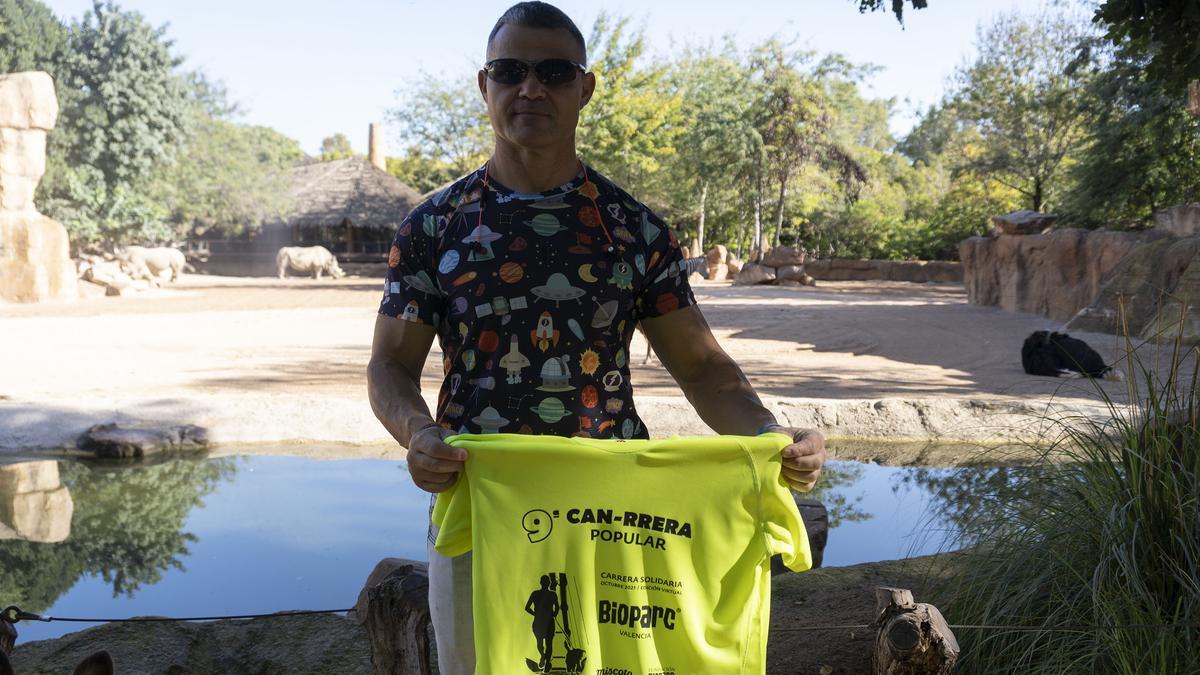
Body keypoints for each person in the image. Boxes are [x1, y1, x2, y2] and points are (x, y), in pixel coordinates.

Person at [366, 2, 826, 671]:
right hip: (480, 512)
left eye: (553, 72)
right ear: (483, 84)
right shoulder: (434, 228)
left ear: (584, 89)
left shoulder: (633, 230)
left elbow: (701, 369)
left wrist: (769, 434)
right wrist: (418, 434)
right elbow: (388, 366)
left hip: (615, 518)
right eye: (510, 70)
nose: (530, 88)